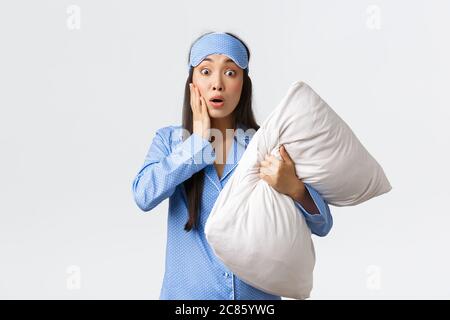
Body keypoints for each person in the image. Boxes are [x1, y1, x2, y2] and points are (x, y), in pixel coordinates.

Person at [131, 31, 333, 300]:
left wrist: (295, 189)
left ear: (243, 84)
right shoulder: (170, 141)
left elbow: (323, 225)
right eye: (205, 71)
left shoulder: (268, 145)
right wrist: (197, 144)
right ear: (192, 83)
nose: (217, 84)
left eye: (230, 72)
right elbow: (143, 195)